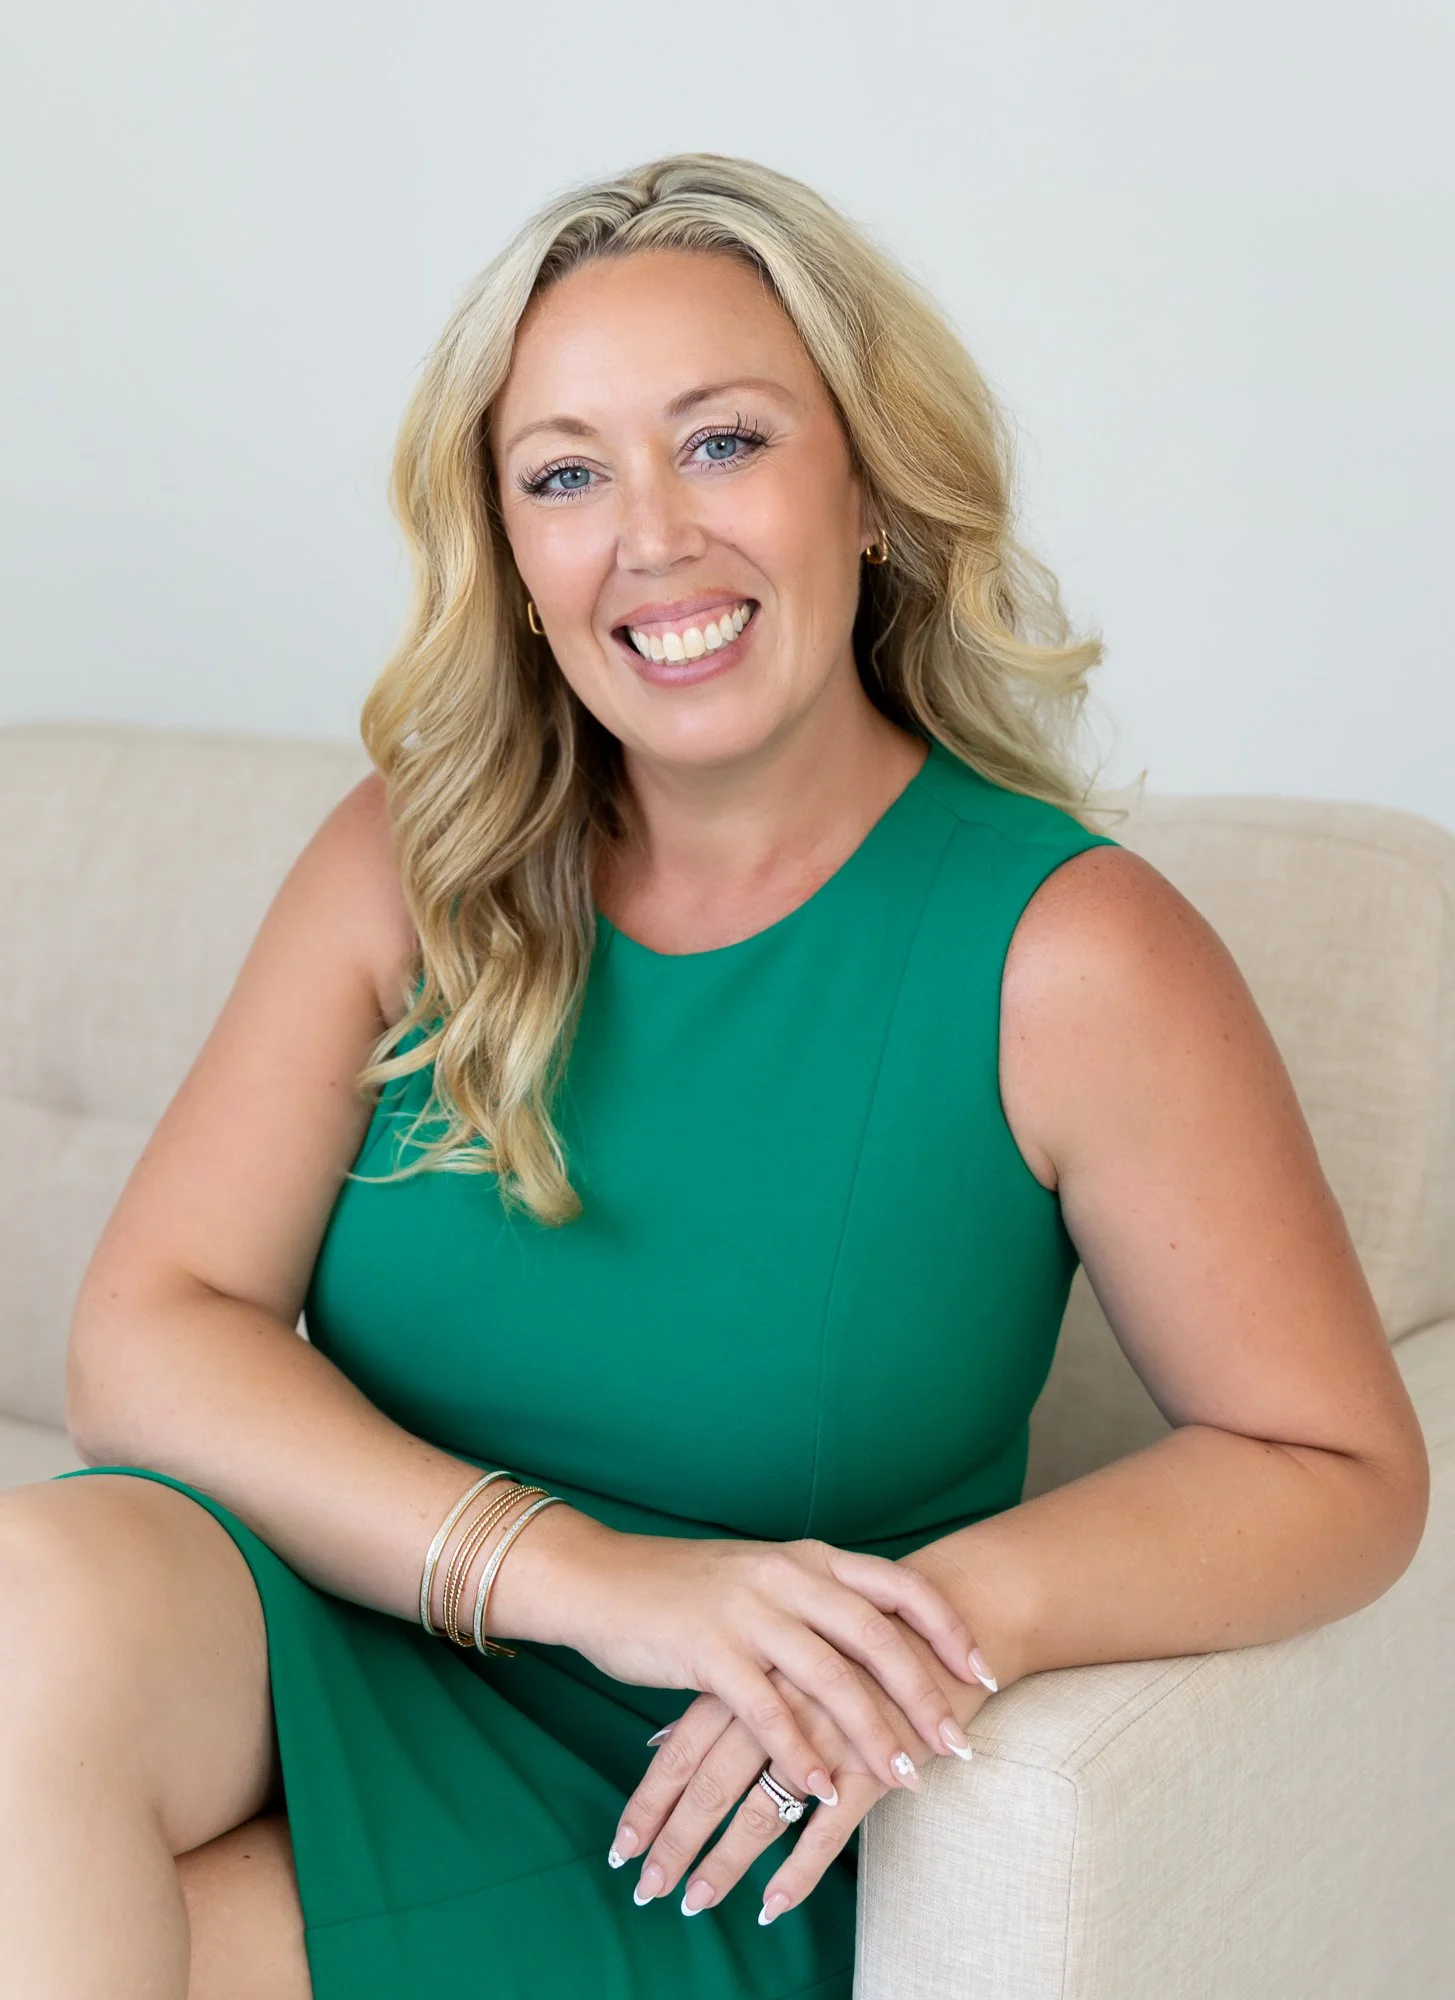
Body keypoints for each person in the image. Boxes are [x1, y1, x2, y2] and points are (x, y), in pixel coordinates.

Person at [1, 151, 1428, 1999]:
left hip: (705, 1769)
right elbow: (148, 1335)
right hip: (363, 1602)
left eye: (725, 441)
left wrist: (940, 1619)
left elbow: (1328, 1463)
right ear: (512, 559)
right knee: (30, 1603)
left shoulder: (1067, 951)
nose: (651, 538)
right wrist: (583, 1573)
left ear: (873, 492)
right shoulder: (409, 864)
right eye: (568, 474)